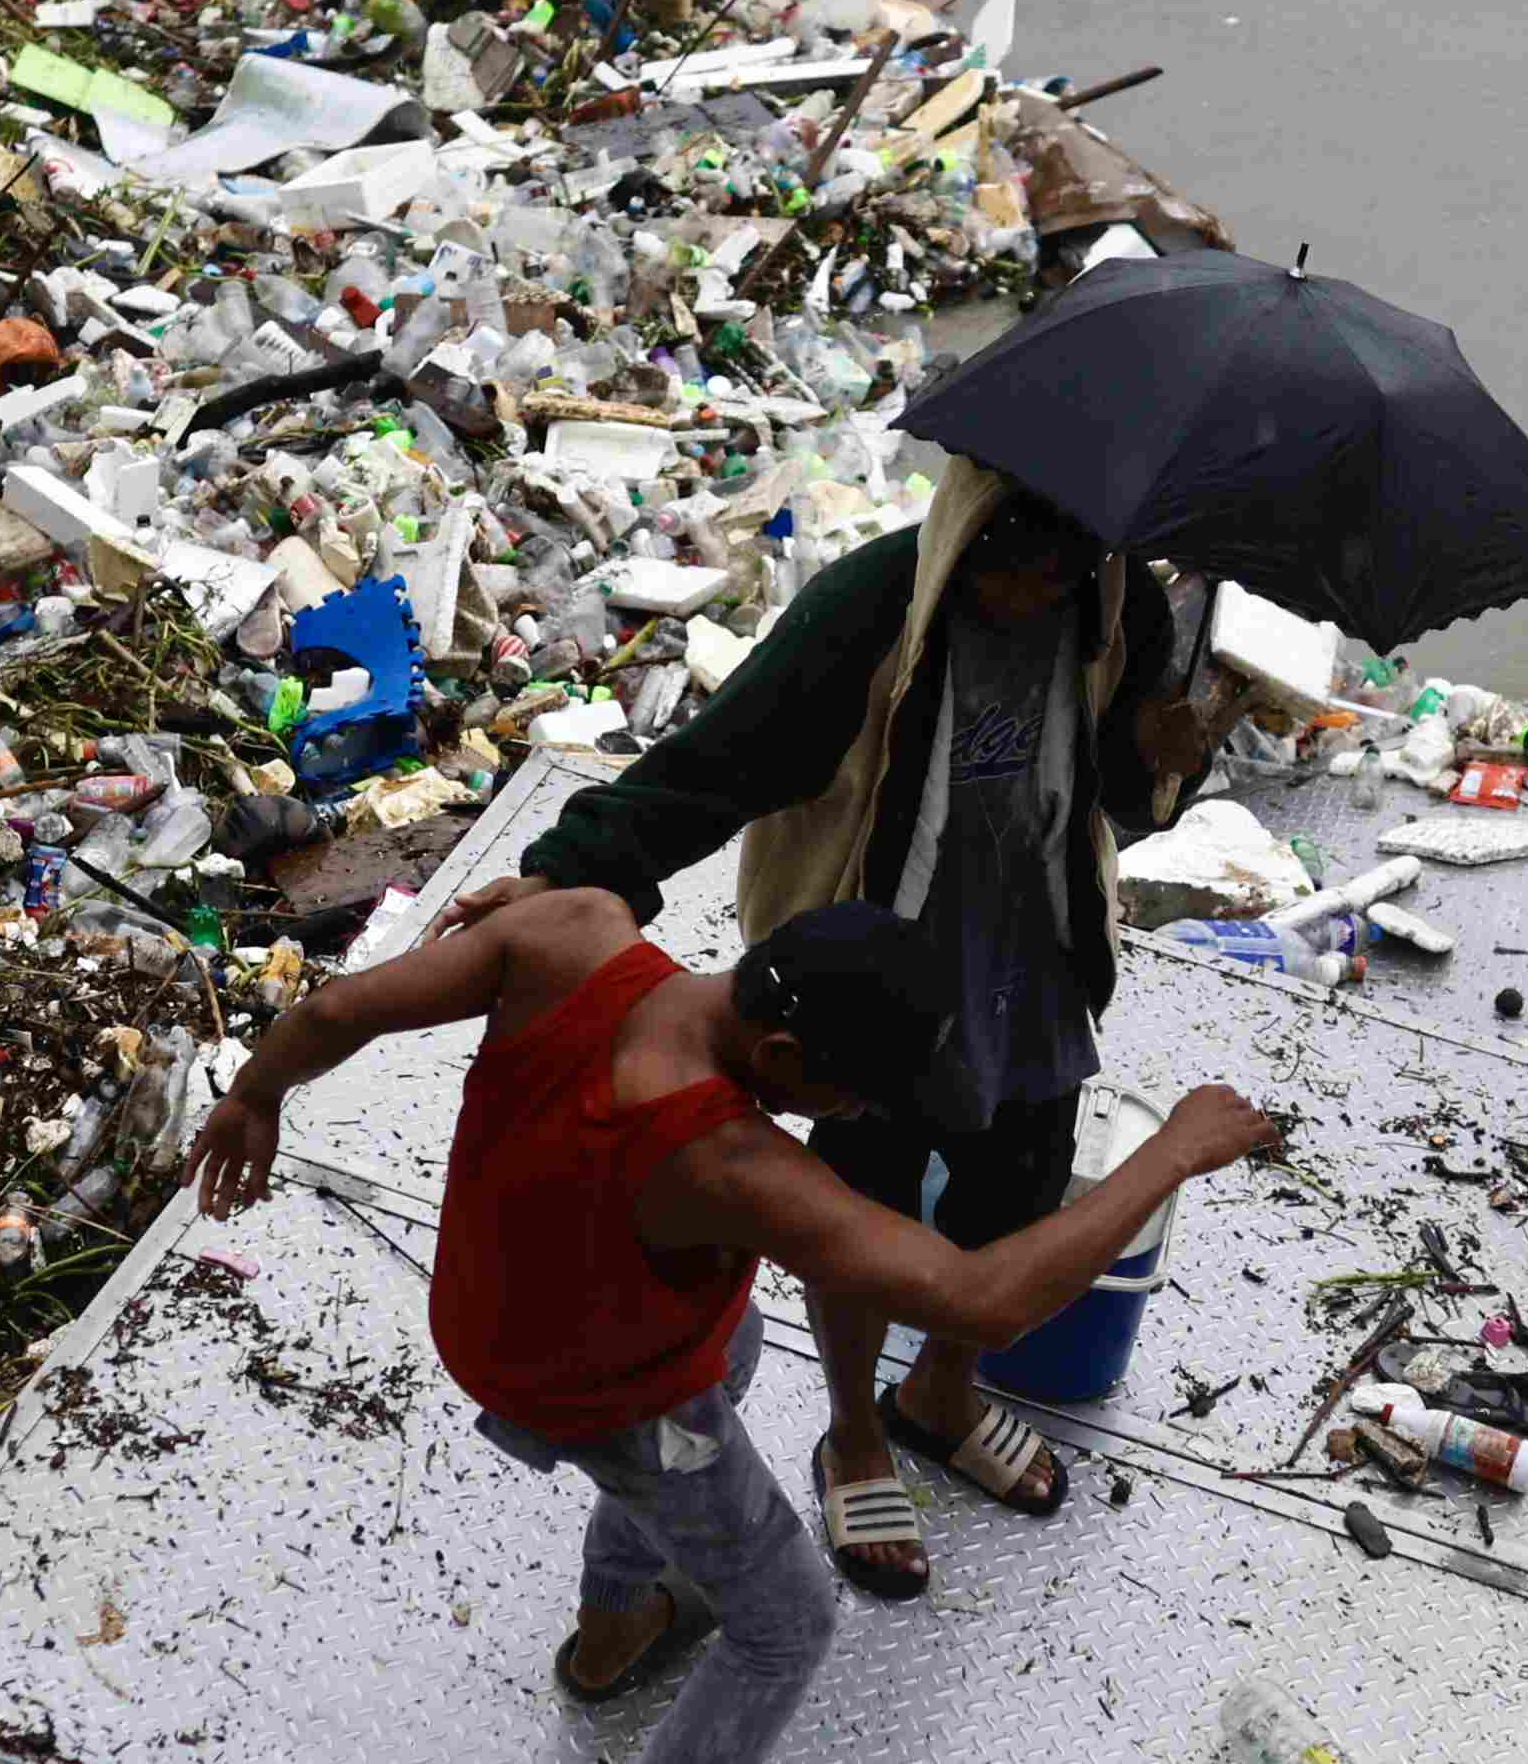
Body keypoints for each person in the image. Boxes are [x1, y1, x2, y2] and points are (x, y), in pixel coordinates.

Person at [189, 884, 1276, 1764]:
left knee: (738, 1338)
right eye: (850, 1098)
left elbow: (332, 1014)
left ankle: (612, 1633)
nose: (855, 1120)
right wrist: (1169, 1156)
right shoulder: (726, 1163)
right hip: (595, 1385)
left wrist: (254, 1099)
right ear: (781, 1050)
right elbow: (979, 1300)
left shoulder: (571, 930)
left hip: (486, 1303)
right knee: (786, 1618)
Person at [445, 458, 1248, 1602]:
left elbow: (1118, 793)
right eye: (1010, 570)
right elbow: (719, 760)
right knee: (864, 1202)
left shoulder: (1115, 605)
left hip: (1030, 948)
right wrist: (572, 869)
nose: (1033, 595)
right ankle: (852, 1432)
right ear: (970, 535)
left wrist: (1170, 752)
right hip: (883, 958)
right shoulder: (872, 607)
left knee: (1014, 1180)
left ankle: (938, 1399)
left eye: (1061, 571)